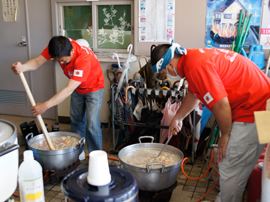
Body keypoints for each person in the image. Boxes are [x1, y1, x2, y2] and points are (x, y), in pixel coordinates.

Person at [150, 42, 270, 202]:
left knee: (232, 166)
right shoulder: (193, 59)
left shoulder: (196, 67)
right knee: (239, 166)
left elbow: (221, 104)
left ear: (170, 64)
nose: (166, 75)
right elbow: (194, 94)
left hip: (256, 110)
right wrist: (177, 118)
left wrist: (225, 135)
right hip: (261, 105)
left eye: (164, 71)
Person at [11, 36, 105, 155]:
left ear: (71, 52)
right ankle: (78, 152)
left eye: (64, 61)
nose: (61, 63)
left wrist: (45, 106)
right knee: (76, 120)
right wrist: (22, 68)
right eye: (58, 60)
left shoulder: (83, 59)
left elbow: (68, 90)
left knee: (92, 124)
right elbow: (36, 62)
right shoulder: (57, 47)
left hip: (94, 87)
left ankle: (96, 156)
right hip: (77, 87)